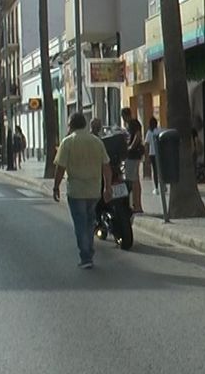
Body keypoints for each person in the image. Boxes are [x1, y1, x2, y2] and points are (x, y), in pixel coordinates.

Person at [53, 112, 112, 269]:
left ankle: (86, 256)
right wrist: (107, 187)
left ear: (71, 125)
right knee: (89, 222)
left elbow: (60, 168)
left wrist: (56, 186)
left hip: (76, 191)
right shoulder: (97, 142)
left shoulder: (67, 143)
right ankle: (89, 251)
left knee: (80, 223)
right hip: (94, 190)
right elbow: (106, 166)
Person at [120, 108, 144, 213]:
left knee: (133, 180)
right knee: (134, 180)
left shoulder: (134, 123)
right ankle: (135, 204)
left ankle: (137, 205)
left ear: (125, 115)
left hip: (133, 155)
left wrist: (131, 147)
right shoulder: (129, 125)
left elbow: (137, 136)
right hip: (131, 155)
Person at [146, 117, 161, 195]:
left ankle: (156, 188)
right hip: (159, 153)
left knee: (154, 171)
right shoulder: (159, 131)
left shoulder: (149, 133)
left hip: (152, 154)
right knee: (161, 170)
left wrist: (146, 156)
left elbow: (147, 145)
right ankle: (163, 185)